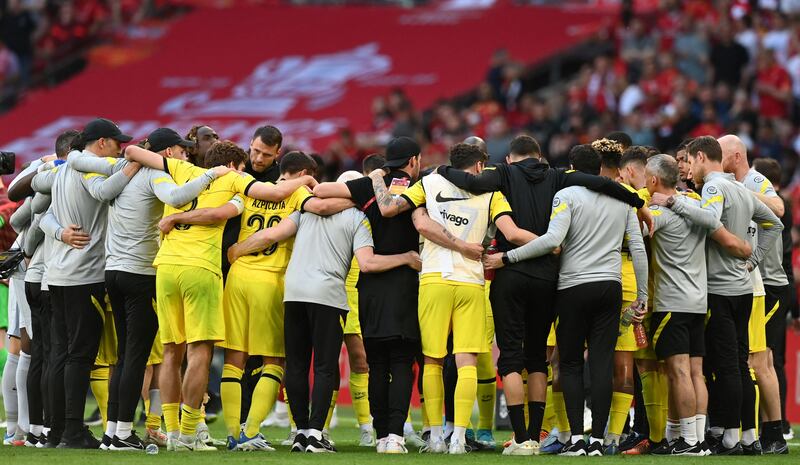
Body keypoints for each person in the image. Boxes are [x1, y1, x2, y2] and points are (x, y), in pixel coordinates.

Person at [433, 136, 647, 455]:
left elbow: (550, 238)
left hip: (551, 281)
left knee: (553, 361)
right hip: (588, 283)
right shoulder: (595, 191)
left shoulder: (555, 191)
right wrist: (641, 294)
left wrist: (507, 258)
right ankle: (595, 439)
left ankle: (550, 437)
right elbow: (633, 238)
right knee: (580, 361)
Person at [124, 140, 317, 451]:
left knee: (172, 352)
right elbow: (277, 193)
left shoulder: (181, 168)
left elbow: (132, 151)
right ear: (233, 166)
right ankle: (191, 433)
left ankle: (171, 431)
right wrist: (306, 179)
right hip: (204, 269)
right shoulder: (234, 179)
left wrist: (174, 211)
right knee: (202, 351)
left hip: (166, 268)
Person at [160, 151, 352, 451]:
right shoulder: (299, 193)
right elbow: (321, 207)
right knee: (273, 361)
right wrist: (359, 199)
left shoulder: (248, 186)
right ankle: (250, 432)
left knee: (234, 360)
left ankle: (233, 433)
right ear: (304, 172)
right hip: (270, 280)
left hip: (236, 279)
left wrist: (235, 251)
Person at [67, 128, 233, 450]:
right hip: (140, 274)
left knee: (124, 357)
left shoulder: (120, 172)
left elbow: (81, 164)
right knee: (136, 357)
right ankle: (125, 432)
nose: (185, 155)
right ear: (167, 152)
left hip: (113, 271)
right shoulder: (155, 173)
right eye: (181, 150)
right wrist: (211, 175)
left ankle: (113, 432)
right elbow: (175, 198)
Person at [370, 143, 536, 454]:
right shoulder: (493, 193)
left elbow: (388, 208)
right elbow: (510, 232)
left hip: (434, 279)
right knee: (467, 361)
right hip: (471, 282)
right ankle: (458, 437)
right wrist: (550, 243)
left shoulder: (429, 183)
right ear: (479, 166)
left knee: (432, 361)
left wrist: (377, 177)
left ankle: (434, 438)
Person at [650, 135, 782, 455]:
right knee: (738, 364)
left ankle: (731, 438)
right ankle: (748, 436)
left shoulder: (712, 186)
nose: (688, 169)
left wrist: (673, 202)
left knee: (725, 367)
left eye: (690, 162)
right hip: (743, 288)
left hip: (720, 288)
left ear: (699, 157)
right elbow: (775, 224)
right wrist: (752, 262)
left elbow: (709, 220)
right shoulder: (740, 187)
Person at [277, 173, 420, 454]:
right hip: (327, 295)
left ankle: (300, 433)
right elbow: (367, 263)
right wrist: (406, 257)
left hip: (292, 292)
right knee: (324, 367)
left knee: (295, 365)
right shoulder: (358, 218)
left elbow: (273, 234)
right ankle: (316, 434)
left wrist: (238, 250)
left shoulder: (304, 212)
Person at [314, 138, 428, 453]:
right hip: (407, 282)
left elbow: (321, 192)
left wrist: (361, 192)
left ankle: (380, 437)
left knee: (377, 363)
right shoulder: (420, 186)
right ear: (414, 160)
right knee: (403, 362)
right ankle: (395, 436)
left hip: (370, 286)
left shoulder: (367, 185)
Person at [33, 118, 140, 448]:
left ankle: (56, 431)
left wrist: (59, 232)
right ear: (103, 143)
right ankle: (73, 429)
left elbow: (42, 205)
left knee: (60, 355)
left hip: (58, 274)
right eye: (116, 142)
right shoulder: (88, 168)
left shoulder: (63, 170)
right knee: (80, 355)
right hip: (85, 274)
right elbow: (106, 190)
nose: (121, 147)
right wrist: (133, 166)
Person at [645, 155, 722, 455]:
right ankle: (693, 437)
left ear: (653, 181)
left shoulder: (659, 214)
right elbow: (711, 221)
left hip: (672, 302)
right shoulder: (695, 205)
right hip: (698, 301)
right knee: (694, 372)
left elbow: (636, 237)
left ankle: (689, 441)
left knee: (677, 372)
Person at [718, 134, 787, 454]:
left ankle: (774, 432)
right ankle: (768, 430)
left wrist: (743, 195)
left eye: (720, 154)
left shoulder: (753, 180)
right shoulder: (735, 182)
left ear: (734, 157)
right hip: (754, 278)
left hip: (766, 280)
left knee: (761, 361)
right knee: (760, 360)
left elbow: (779, 209)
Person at [753, 157, 797, 442]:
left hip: (775, 284)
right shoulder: (781, 204)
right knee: (771, 357)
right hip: (783, 282)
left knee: (770, 357)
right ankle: (775, 422)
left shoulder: (777, 204)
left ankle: (778, 424)